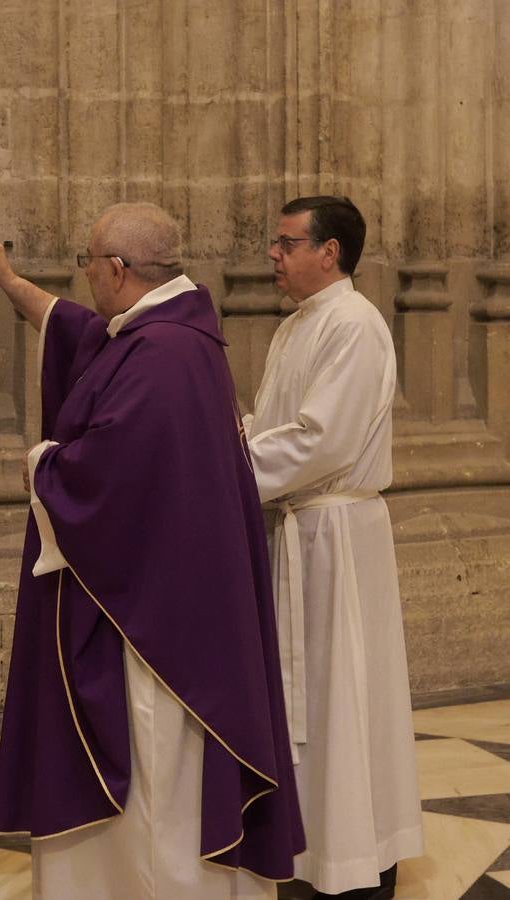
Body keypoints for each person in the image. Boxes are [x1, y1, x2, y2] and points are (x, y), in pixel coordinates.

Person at [0, 202, 304, 899]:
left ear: (117, 270)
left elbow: (109, 476)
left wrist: (43, 463)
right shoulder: (167, 334)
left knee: (154, 777)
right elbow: (82, 333)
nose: (86, 276)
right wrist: (8, 282)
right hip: (175, 602)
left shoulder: (164, 355)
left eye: (89, 263)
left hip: (153, 630)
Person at [246, 196, 422, 899]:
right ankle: (318, 847)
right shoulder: (298, 327)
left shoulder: (352, 323)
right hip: (299, 531)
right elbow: (275, 422)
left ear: (329, 252)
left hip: (334, 539)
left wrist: (222, 471)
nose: (273, 255)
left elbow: (320, 440)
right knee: (314, 705)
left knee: (344, 698)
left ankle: (359, 858)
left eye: (285, 243)